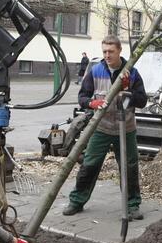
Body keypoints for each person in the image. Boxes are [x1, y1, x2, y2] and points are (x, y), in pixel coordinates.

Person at [63, 36, 147, 220]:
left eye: (111, 51)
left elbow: (142, 100)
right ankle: (76, 201)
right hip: (101, 127)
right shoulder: (95, 70)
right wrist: (92, 103)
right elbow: (82, 97)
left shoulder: (131, 72)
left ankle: (133, 205)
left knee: (129, 167)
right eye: (104, 52)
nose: (107, 55)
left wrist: (127, 92)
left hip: (126, 128)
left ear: (119, 51)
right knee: (89, 165)